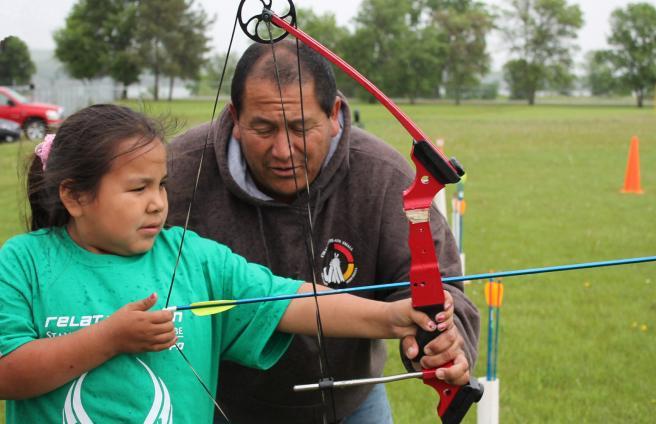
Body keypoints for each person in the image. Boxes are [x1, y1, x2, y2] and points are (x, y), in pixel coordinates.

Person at [0, 104, 459, 423]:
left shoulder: (191, 255)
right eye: (138, 190)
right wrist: (110, 338)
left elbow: (289, 301)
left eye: (161, 186)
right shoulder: (23, 262)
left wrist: (393, 315)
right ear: (76, 196)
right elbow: (8, 373)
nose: (158, 203)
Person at [166, 41, 480, 423]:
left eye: (301, 127)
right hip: (215, 401)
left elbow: (438, 287)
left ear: (334, 115)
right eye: (263, 128)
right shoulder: (174, 175)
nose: (283, 151)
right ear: (234, 118)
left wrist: (446, 342)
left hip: (350, 401)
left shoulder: (383, 176)